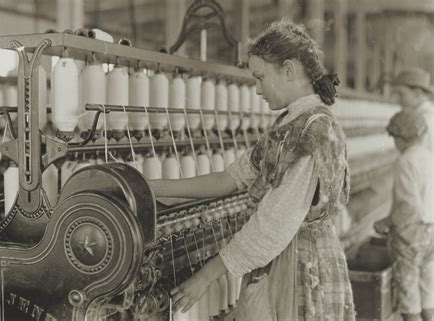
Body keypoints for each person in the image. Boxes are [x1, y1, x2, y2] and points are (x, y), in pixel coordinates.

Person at [149, 20, 355, 320]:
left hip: (299, 263)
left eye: (260, 77)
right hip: (283, 256)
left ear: (289, 70)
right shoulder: (289, 125)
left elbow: (273, 225)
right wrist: (153, 187)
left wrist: (206, 276)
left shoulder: (313, 131)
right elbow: (229, 179)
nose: (257, 90)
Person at [374, 110, 434, 321]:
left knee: (409, 298)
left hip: (411, 236)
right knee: (427, 292)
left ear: (399, 137)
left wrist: (385, 222)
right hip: (430, 232)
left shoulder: (405, 161)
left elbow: (409, 208)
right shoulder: (429, 157)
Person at [391, 68, 434, 152]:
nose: (395, 99)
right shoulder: (426, 115)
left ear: (417, 93)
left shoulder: (423, 120)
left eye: (400, 94)